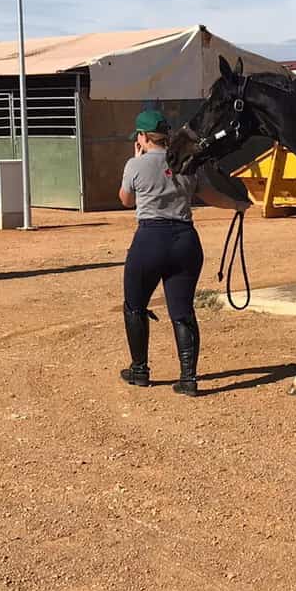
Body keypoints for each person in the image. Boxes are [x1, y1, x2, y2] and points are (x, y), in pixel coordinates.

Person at [118, 109, 250, 396]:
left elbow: (126, 200)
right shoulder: (187, 162)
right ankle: (188, 378)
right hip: (185, 241)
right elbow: (211, 195)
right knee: (182, 311)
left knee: (135, 305)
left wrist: (138, 163)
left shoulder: (134, 165)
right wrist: (237, 205)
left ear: (142, 137)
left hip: (150, 240)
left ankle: (139, 370)